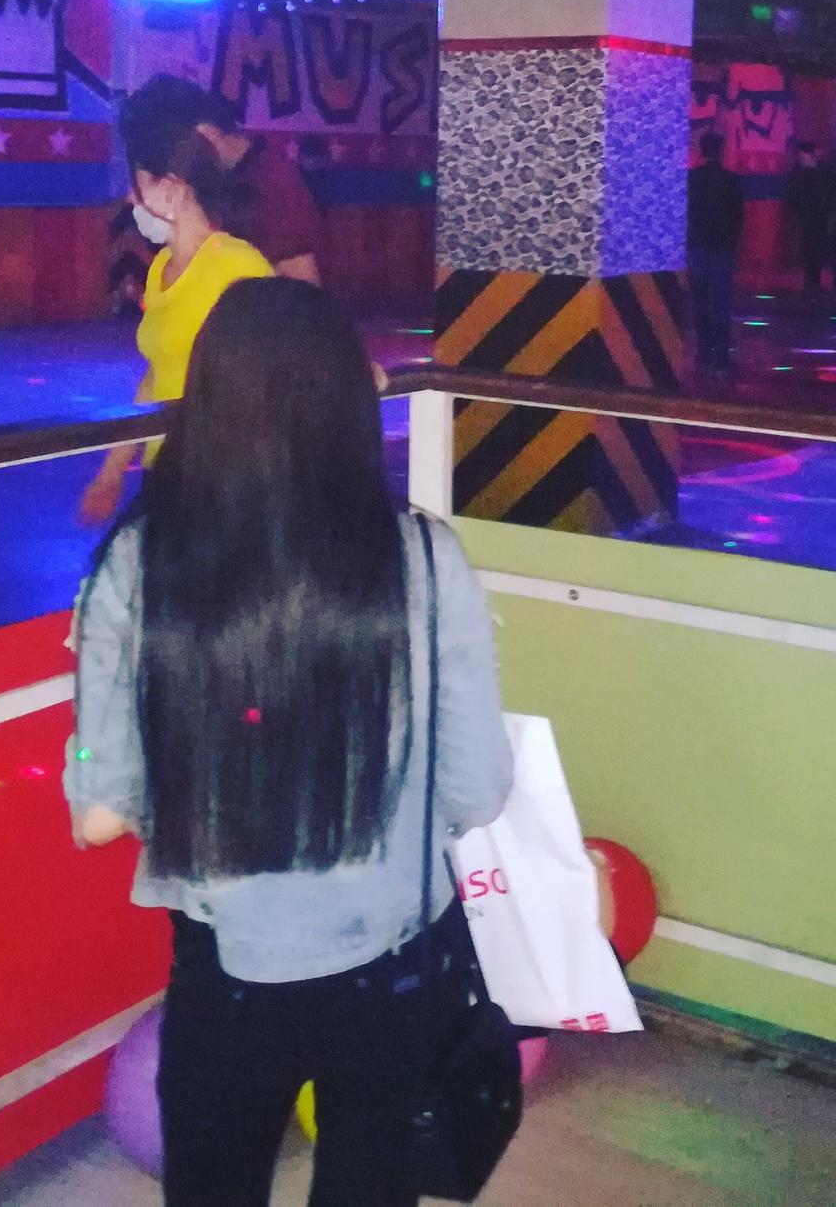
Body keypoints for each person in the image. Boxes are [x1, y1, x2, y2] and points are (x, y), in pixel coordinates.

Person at [66, 277, 515, 1207]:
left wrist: (101, 757)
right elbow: (477, 790)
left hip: (223, 963)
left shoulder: (137, 563)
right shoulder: (427, 556)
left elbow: (101, 813)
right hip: (393, 960)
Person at [77, 130, 274, 526]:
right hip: (164, 470)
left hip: (222, 479)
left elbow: (285, 355)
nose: (130, 200)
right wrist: (112, 473)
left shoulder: (237, 265)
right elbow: (157, 374)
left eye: (139, 188)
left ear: (174, 188)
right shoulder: (161, 268)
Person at [120, 74, 324, 285]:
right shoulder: (209, 181)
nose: (170, 174)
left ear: (205, 134)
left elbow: (303, 290)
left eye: (167, 157)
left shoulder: (276, 185)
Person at [685, 130, 745, 376]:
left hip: (697, 246)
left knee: (700, 300)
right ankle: (721, 357)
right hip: (722, 248)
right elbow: (738, 216)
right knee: (720, 301)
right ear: (720, 152)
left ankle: (703, 352)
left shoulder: (691, 179)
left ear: (701, 150)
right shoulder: (730, 181)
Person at [782, 141, 836, 302]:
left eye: (805, 157)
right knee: (814, 254)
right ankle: (815, 287)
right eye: (801, 158)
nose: (803, 161)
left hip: (826, 220)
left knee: (831, 253)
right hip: (813, 221)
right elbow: (793, 199)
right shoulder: (800, 174)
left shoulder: (825, 172)